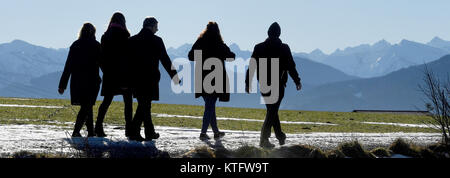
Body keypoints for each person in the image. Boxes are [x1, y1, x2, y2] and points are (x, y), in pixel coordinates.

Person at [245, 22, 302, 148]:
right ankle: (264, 139)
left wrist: (247, 82)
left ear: (268, 33)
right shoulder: (284, 48)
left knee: (272, 110)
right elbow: (291, 66)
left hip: (264, 84)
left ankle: (279, 136)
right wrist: (297, 81)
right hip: (279, 84)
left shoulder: (259, 47)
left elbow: (252, 66)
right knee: (272, 111)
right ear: (279, 34)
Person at [128, 17, 180, 141]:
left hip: (135, 79)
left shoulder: (132, 40)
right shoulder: (156, 40)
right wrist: (175, 76)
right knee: (144, 105)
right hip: (150, 78)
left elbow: (127, 61)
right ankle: (138, 132)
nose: (157, 29)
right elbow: (165, 59)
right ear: (151, 26)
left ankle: (144, 132)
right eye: (156, 26)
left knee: (144, 105)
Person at [188, 22, 235, 140]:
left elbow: (190, 56)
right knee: (210, 106)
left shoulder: (200, 42)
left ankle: (216, 132)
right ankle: (203, 133)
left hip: (202, 78)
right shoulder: (219, 44)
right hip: (216, 79)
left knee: (210, 106)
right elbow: (231, 56)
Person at [58, 23, 102, 137]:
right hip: (92, 81)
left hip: (77, 82)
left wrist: (62, 85)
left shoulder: (76, 45)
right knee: (87, 106)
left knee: (87, 106)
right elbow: (103, 64)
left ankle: (91, 132)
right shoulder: (96, 45)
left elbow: (68, 66)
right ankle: (76, 131)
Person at [95, 12, 133, 137]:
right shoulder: (125, 37)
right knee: (128, 103)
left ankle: (98, 127)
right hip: (124, 75)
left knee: (106, 101)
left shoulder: (105, 36)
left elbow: (101, 58)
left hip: (109, 75)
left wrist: (106, 71)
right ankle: (129, 129)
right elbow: (125, 59)